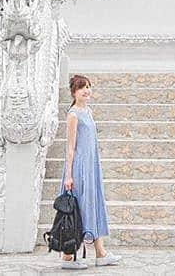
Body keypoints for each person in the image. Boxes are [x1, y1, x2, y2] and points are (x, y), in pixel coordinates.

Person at [61, 75, 119, 269]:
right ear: (73, 92)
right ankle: (68, 256)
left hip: (92, 167)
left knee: (93, 206)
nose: (86, 91)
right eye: (81, 88)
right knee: (78, 210)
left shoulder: (88, 111)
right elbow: (70, 148)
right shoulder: (73, 115)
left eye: (88, 87)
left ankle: (100, 253)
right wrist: (68, 175)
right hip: (79, 169)